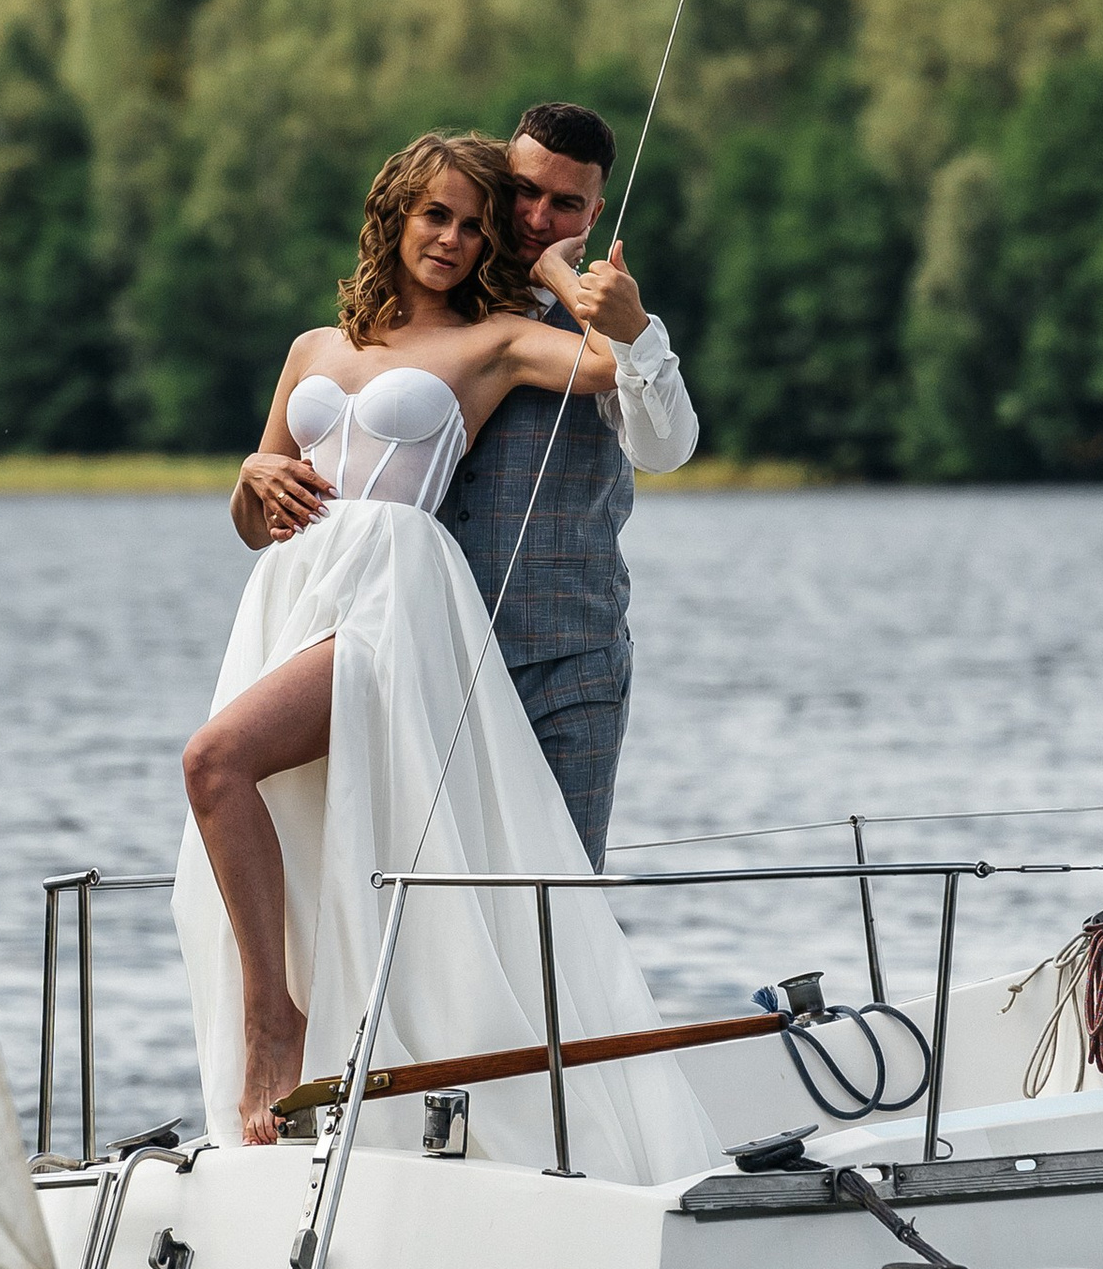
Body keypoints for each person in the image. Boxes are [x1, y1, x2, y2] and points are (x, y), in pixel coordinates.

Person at [172, 129, 711, 1184]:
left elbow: (644, 408)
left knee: (520, 902)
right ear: (397, 213)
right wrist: (251, 471)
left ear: (591, 213)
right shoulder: (310, 350)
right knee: (295, 815)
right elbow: (255, 507)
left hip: (424, 608)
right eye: (450, 213)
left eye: (485, 219)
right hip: (298, 596)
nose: (472, 233)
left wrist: (576, 281)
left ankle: (527, 1135)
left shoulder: (504, 336)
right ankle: (340, 1070)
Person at [438, 100, 699, 870]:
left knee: (558, 901)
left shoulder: (612, 319)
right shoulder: (439, 299)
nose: (536, 216)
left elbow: (667, 449)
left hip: (573, 664)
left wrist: (635, 331)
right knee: (441, 895)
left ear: (597, 210)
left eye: (564, 203)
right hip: (441, 653)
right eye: (524, 191)